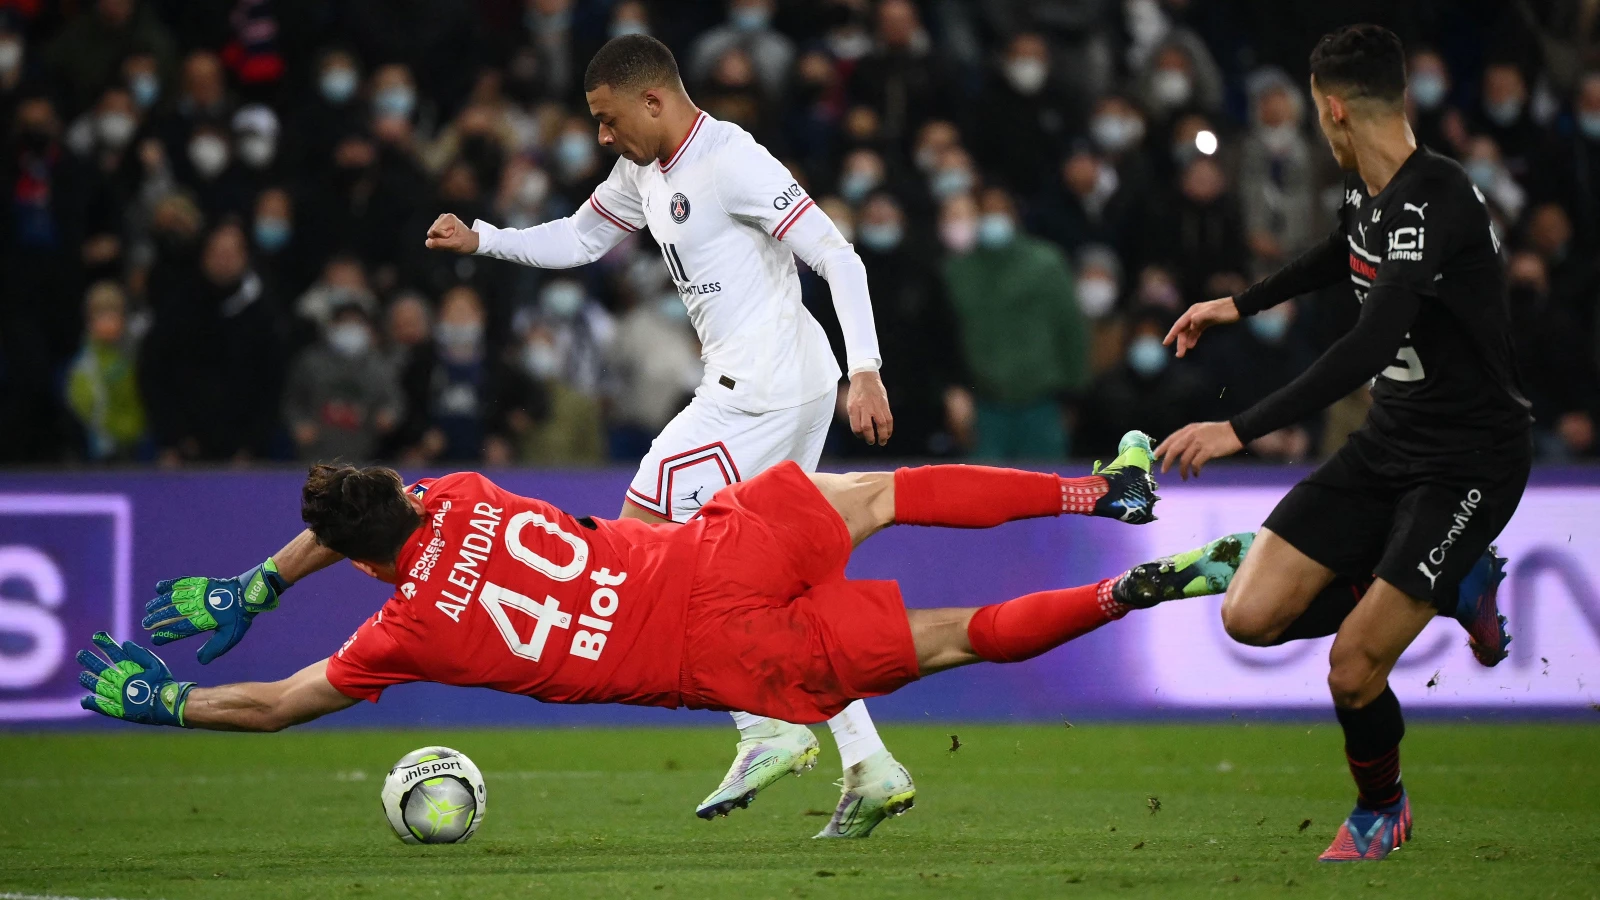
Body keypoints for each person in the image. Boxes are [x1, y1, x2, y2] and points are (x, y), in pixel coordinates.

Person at [93, 436, 1178, 838]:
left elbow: (281, 704)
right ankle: (1100, 490)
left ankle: (1126, 591)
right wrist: (259, 583)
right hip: (712, 557)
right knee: (882, 494)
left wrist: (171, 702)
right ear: (410, 501)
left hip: (714, 661)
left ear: (372, 560)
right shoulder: (461, 494)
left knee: (952, 637)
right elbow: (365, 513)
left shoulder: (406, 630)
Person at [423, 35, 901, 835]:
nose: (603, 137)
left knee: (639, 550)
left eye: (609, 120)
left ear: (653, 99)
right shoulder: (642, 172)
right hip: (783, 385)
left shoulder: (733, 160)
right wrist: (486, 238)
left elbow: (838, 258)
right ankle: (870, 764)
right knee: (773, 581)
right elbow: (579, 238)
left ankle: (766, 728)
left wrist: (869, 368)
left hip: (762, 392)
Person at [1156, 25, 1532, 862]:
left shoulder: (1434, 202)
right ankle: (1444, 580)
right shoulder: (1370, 191)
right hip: (1387, 443)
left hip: (1469, 463)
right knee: (1248, 616)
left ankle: (1382, 807)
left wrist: (1238, 427)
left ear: (1331, 108)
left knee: (1354, 665)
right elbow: (1340, 251)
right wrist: (1239, 304)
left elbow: (1367, 347)